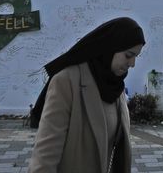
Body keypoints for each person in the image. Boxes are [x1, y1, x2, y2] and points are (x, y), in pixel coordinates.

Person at [28, 17, 145, 173]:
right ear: (111, 47)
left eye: (136, 56)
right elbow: (45, 153)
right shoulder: (67, 81)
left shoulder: (115, 85)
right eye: (128, 55)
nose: (132, 64)